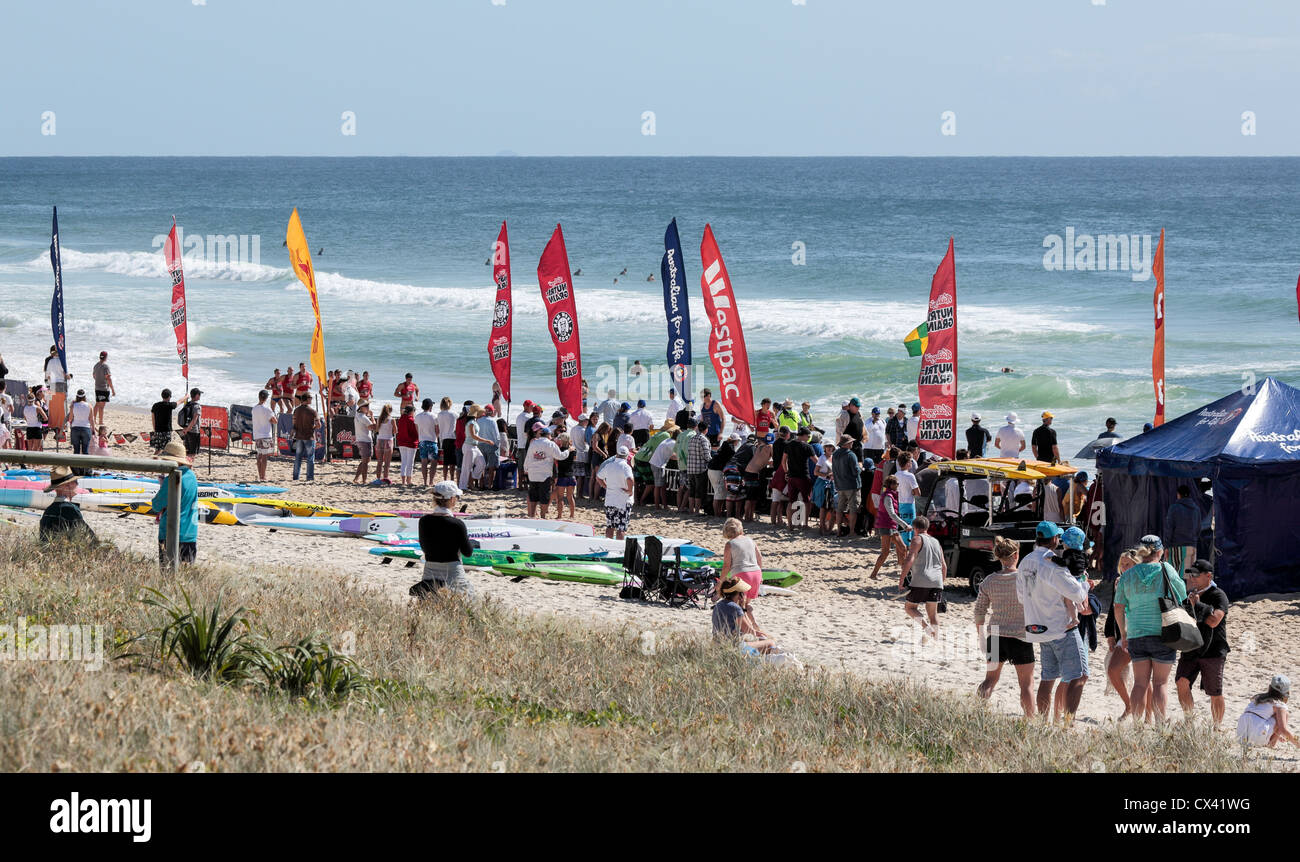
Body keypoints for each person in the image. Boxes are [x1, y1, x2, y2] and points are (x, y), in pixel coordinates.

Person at [1017, 521, 1090, 723]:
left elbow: (1022, 597)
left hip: (1037, 628)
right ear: (1055, 539)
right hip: (1061, 628)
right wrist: (1084, 582)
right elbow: (1076, 593)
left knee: (1048, 678)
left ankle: (1042, 722)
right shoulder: (1051, 563)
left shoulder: (1025, 562)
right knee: (1079, 676)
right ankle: (1067, 723)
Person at [1112, 535, 1187, 724]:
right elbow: (1182, 594)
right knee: (1160, 683)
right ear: (1160, 552)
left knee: (1139, 683)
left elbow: (1118, 607)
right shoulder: (1166, 569)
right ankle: (1160, 724)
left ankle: (1137, 726)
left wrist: (1123, 634)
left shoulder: (1127, 575)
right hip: (1163, 632)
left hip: (1136, 634)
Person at [974, 535, 1035, 717]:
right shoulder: (1025, 579)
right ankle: (1031, 721)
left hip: (995, 635)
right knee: (1026, 684)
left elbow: (979, 613)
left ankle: (976, 713)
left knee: (990, 680)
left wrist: (981, 638)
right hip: (1020, 635)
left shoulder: (989, 581)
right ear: (1016, 555)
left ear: (998, 556)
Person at [1176, 559, 1230, 727]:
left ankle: (1216, 728)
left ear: (1208, 576)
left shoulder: (1218, 595)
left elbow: (1214, 621)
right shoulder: (1191, 594)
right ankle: (1189, 722)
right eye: (1191, 574)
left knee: (1215, 692)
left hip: (1213, 650)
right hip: (1191, 648)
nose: (1192, 578)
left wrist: (1197, 604)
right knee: (1181, 682)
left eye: (1196, 575)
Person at [414, 481, 475, 598]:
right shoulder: (457, 524)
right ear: (452, 499)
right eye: (457, 497)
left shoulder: (424, 521)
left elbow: (424, 548)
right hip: (452, 573)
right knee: (469, 602)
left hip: (429, 572)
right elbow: (468, 553)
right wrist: (470, 542)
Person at [896, 514, 946, 639]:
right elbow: (943, 566)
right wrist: (941, 583)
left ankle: (927, 628)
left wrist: (902, 578)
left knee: (910, 608)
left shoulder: (917, 539)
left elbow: (910, 560)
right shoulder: (936, 542)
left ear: (915, 528)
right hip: (937, 581)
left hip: (921, 580)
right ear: (927, 527)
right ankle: (935, 639)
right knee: (933, 614)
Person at [151, 440, 199, 567]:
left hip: (171, 532)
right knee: (186, 576)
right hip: (190, 532)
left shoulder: (171, 479)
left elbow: (156, 505)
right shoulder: (192, 477)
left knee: (167, 573)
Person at [711, 576, 779, 653]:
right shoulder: (735, 608)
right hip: (732, 647)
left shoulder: (718, 605)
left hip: (717, 645)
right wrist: (743, 608)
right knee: (771, 643)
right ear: (739, 594)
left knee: (759, 640)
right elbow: (749, 630)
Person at [38, 466, 95, 545]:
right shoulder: (70, 510)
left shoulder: (48, 511)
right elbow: (88, 536)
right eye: (76, 481)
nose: (77, 484)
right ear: (67, 485)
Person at [1235, 675, 1297, 748]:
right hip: (1257, 736)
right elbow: (1283, 729)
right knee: (1284, 715)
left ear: (1270, 687)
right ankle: (1271, 745)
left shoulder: (1258, 697)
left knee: (1266, 715)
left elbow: (1255, 718)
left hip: (1241, 735)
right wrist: (1297, 743)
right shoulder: (1279, 704)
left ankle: (1265, 738)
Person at [523, 426, 570, 518]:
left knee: (533, 496)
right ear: (549, 435)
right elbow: (560, 456)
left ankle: (532, 515)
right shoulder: (551, 444)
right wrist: (568, 450)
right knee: (544, 497)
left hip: (533, 473)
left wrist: (526, 469)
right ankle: (543, 516)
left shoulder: (533, 443)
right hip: (544, 474)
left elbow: (528, 457)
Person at [868, 474, 906, 578]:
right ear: (891, 485)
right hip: (886, 526)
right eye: (896, 483)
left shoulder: (892, 495)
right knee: (885, 552)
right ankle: (873, 574)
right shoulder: (888, 497)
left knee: (903, 548)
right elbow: (892, 514)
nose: (898, 485)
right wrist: (905, 525)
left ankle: (904, 572)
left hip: (892, 526)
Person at [596, 445, 635, 539]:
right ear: (627, 456)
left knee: (610, 526)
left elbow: (598, 477)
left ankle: (609, 547)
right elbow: (630, 479)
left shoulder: (609, 465)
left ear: (617, 454)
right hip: (623, 500)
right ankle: (618, 549)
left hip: (610, 499)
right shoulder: (626, 467)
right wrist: (630, 491)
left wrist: (605, 486)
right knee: (621, 528)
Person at [719, 517, 763, 600]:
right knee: (746, 605)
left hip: (742, 575)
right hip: (756, 573)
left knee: (738, 605)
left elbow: (727, 565)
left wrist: (720, 582)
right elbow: (759, 558)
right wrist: (761, 575)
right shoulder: (750, 540)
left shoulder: (730, 544)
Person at [1163, 485, 1200, 575]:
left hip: (1176, 547)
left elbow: (1169, 528)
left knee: (1173, 576)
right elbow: (1198, 529)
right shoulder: (1196, 509)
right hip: (1191, 546)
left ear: (1178, 495)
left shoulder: (1174, 508)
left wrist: (1166, 546)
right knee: (1189, 576)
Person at [291, 392, 321, 481]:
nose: (311, 399)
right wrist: (313, 427)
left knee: (298, 458)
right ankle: (309, 477)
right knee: (310, 458)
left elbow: (294, 423)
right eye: (310, 398)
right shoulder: (312, 411)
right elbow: (318, 425)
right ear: (307, 399)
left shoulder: (296, 410)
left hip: (299, 436)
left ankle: (296, 477)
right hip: (309, 437)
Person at [251, 389, 276, 481]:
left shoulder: (254, 409)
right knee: (264, 456)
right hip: (265, 434)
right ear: (266, 398)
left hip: (257, 434)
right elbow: (275, 421)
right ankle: (263, 476)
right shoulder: (267, 409)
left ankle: (260, 475)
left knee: (259, 455)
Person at [415, 399, 441, 486]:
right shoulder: (434, 416)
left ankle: (425, 482)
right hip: (432, 440)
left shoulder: (417, 416)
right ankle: (431, 481)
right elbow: (437, 430)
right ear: (430, 406)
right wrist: (435, 437)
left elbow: (417, 429)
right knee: (433, 462)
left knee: (424, 462)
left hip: (422, 441)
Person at [64, 389, 94, 458]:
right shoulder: (89, 405)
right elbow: (91, 419)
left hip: (75, 427)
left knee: (76, 450)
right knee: (85, 451)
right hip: (86, 428)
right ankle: (85, 468)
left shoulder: (74, 405)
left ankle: (76, 468)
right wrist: (93, 430)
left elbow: (70, 418)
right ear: (84, 396)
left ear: (77, 396)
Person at [352, 401, 376, 484]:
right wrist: (372, 417)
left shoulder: (358, 415)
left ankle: (357, 478)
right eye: (366, 406)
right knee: (366, 461)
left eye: (368, 406)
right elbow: (373, 427)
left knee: (364, 461)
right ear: (361, 407)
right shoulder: (363, 417)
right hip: (365, 440)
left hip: (360, 440)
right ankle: (364, 480)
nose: (368, 407)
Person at [395, 404, 419, 486]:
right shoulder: (412, 420)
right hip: (411, 442)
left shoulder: (401, 419)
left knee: (404, 462)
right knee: (410, 462)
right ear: (411, 412)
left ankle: (403, 480)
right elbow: (415, 432)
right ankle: (409, 480)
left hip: (402, 442)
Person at [91, 350, 114, 428]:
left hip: (97, 387)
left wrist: (98, 380)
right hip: (104, 388)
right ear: (106, 357)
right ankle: (100, 421)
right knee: (101, 406)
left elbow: (93, 375)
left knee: (97, 404)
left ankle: (94, 420)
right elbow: (109, 379)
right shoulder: (105, 366)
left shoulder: (96, 365)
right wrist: (113, 390)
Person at [373, 404, 395, 483]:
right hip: (388, 440)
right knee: (387, 462)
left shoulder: (379, 419)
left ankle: (378, 479)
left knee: (379, 462)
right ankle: (385, 478)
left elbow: (377, 430)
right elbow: (395, 431)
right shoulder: (391, 419)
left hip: (380, 440)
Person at [176, 388, 202, 457]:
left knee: (186, 451)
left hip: (185, 430)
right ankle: (189, 466)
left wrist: (185, 429)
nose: (200, 396)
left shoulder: (187, 404)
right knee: (192, 453)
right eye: (199, 394)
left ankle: (186, 466)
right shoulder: (197, 406)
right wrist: (188, 429)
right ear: (196, 396)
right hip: (193, 431)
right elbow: (194, 420)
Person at [150, 388, 176, 453]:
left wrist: (154, 429)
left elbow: (153, 418)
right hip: (166, 431)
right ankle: (163, 462)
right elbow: (179, 402)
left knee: (157, 450)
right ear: (169, 396)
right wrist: (186, 397)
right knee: (166, 450)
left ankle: (153, 462)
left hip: (158, 431)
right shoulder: (170, 405)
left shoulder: (155, 405)